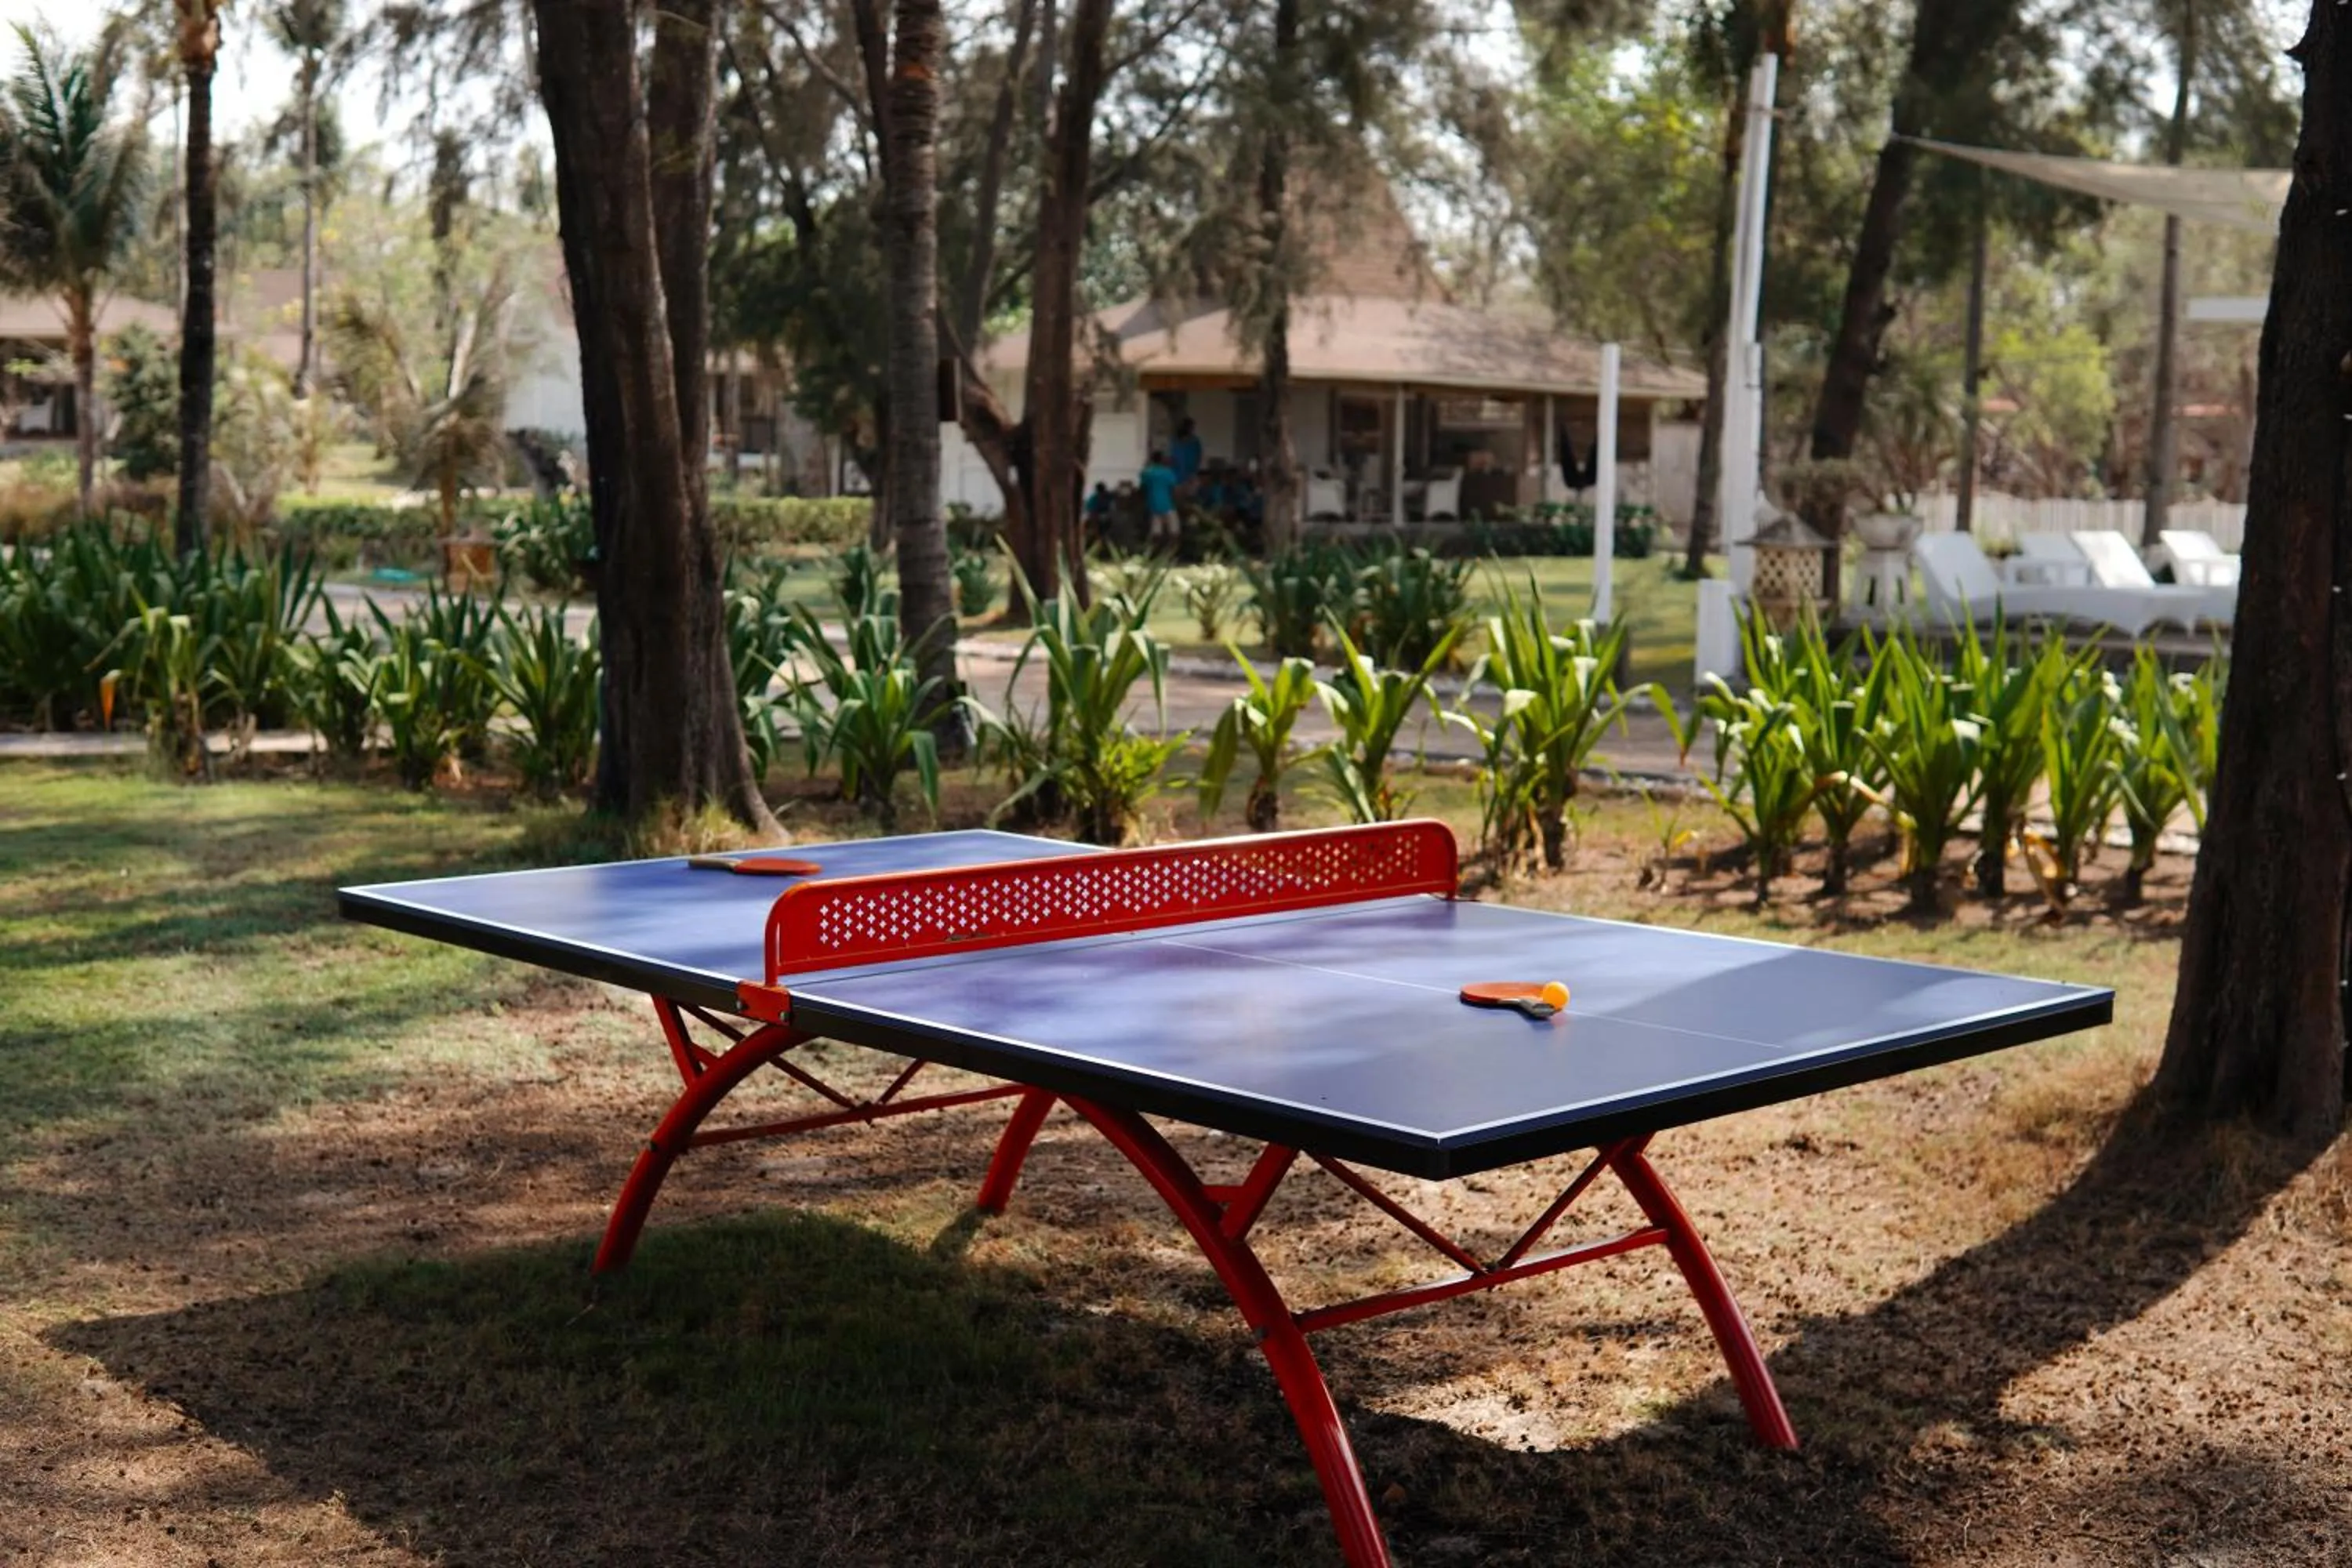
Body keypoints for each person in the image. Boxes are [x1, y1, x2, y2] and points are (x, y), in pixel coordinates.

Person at [1139, 450, 1181, 550]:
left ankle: (1154, 552)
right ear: (1162, 460)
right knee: (1174, 532)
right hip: (1168, 504)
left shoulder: (1147, 473)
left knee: (1156, 532)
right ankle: (1172, 552)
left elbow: (1142, 488)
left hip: (1153, 505)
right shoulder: (1168, 472)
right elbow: (1174, 489)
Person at [1170, 417, 1204, 487]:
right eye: (1191, 427)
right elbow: (1171, 455)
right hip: (1177, 472)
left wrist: (1195, 470)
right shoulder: (1175, 441)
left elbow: (1199, 456)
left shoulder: (1195, 441)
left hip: (1190, 472)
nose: (1192, 429)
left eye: (1192, 428)